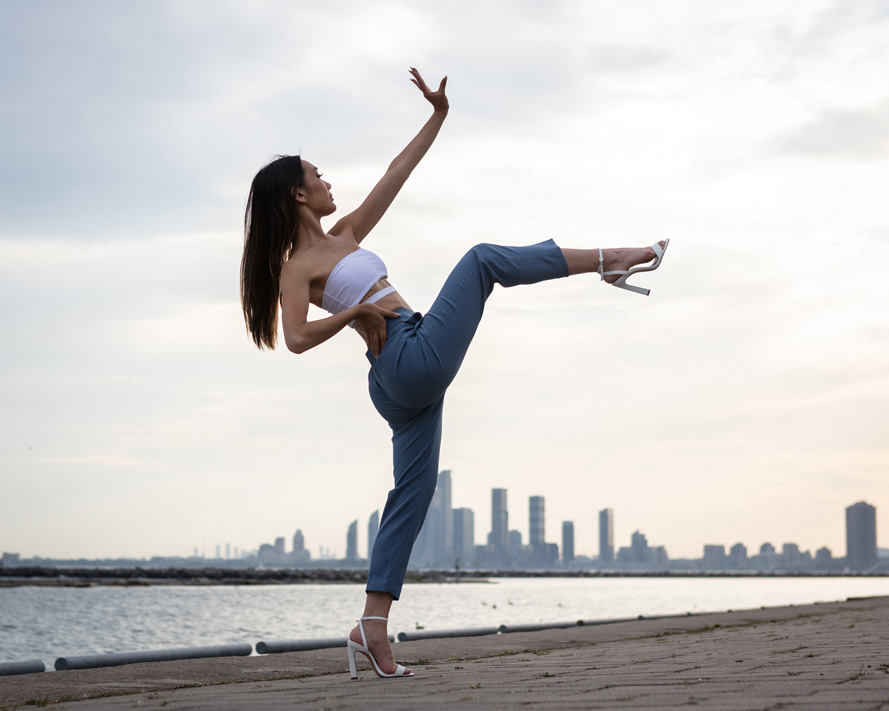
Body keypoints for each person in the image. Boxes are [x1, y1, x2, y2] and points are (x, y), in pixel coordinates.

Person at [240, 68, 669, 680]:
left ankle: (372, 627)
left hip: (402, 368)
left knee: (411, 498)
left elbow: (396, 172)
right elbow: (298, 339)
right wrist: (357, 311)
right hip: (402, 356)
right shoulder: (295, 268)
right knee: (482, 261)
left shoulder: (346, 235)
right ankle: (609, 260)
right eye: (317, 175)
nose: (327, 178)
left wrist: (437, 116)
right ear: (297, 195)